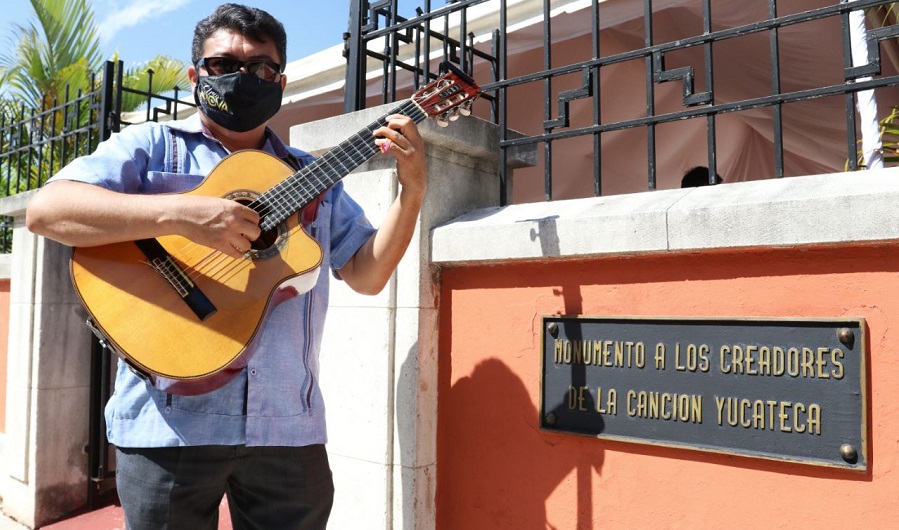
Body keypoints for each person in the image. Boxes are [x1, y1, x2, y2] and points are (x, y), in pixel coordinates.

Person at [25, 4, 427, 529]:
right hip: (166, 427)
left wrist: (413, 190)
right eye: (223, 64)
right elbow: (46, 211)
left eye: (262, 67)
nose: (244, 77)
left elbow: (369, 275)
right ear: (196, 75)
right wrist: (183, 214)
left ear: (279, 81)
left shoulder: (313, 177)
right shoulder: (152, 148)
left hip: (289, 429)